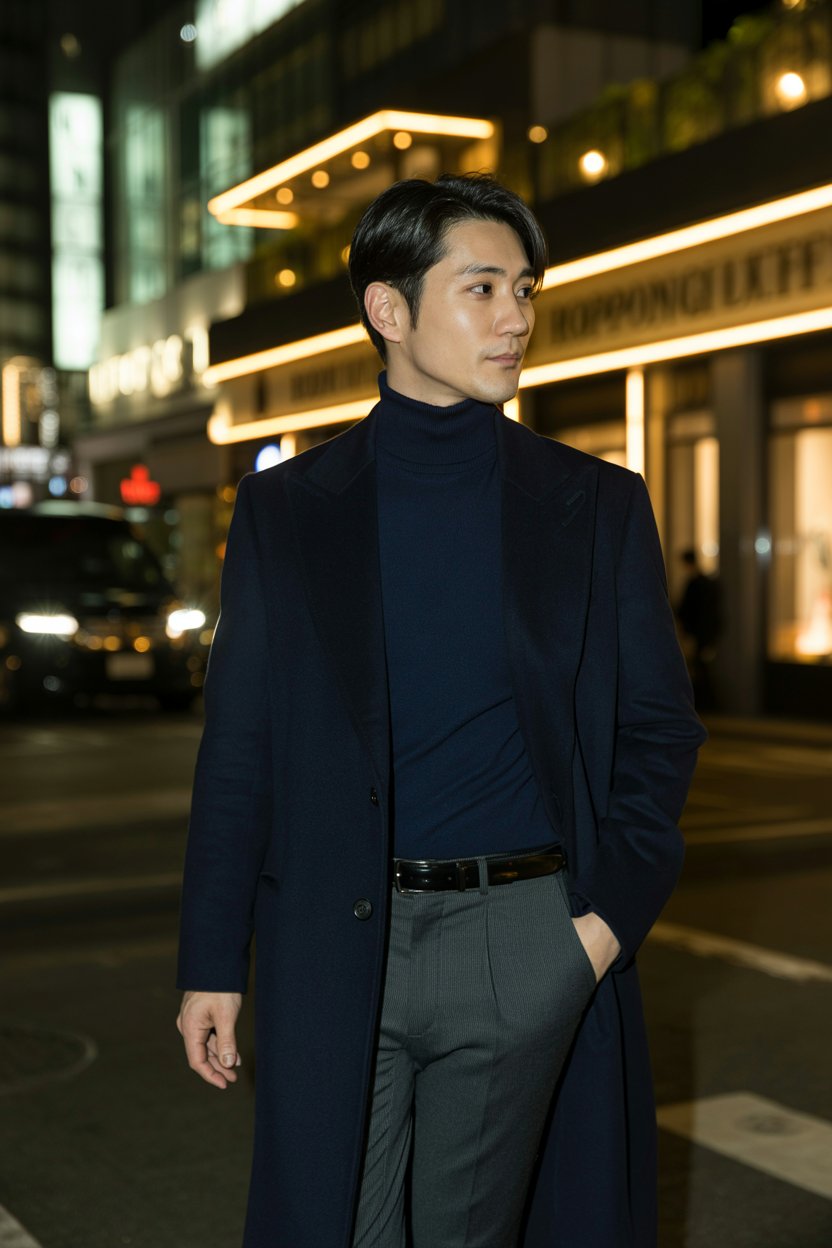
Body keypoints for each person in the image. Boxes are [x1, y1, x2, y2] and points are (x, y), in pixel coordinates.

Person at [176, 173, 706, 1248]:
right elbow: (241, 750)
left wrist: (598, 930)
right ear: (389, 308)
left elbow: (658, 731)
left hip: (525, 936)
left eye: (525, 289)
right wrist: (210, 962)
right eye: (482, 288)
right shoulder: (286, 509)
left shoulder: (596, 503)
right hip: (334, 938)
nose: (516, 318)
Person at [676, 547, 723, 710]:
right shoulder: (706, 583)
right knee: (702, 669)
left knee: (700, 670)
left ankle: (706, 704)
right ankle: (708, 704)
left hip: (697, 635)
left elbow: (688, 611)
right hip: (703, 634)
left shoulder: (695, 584)